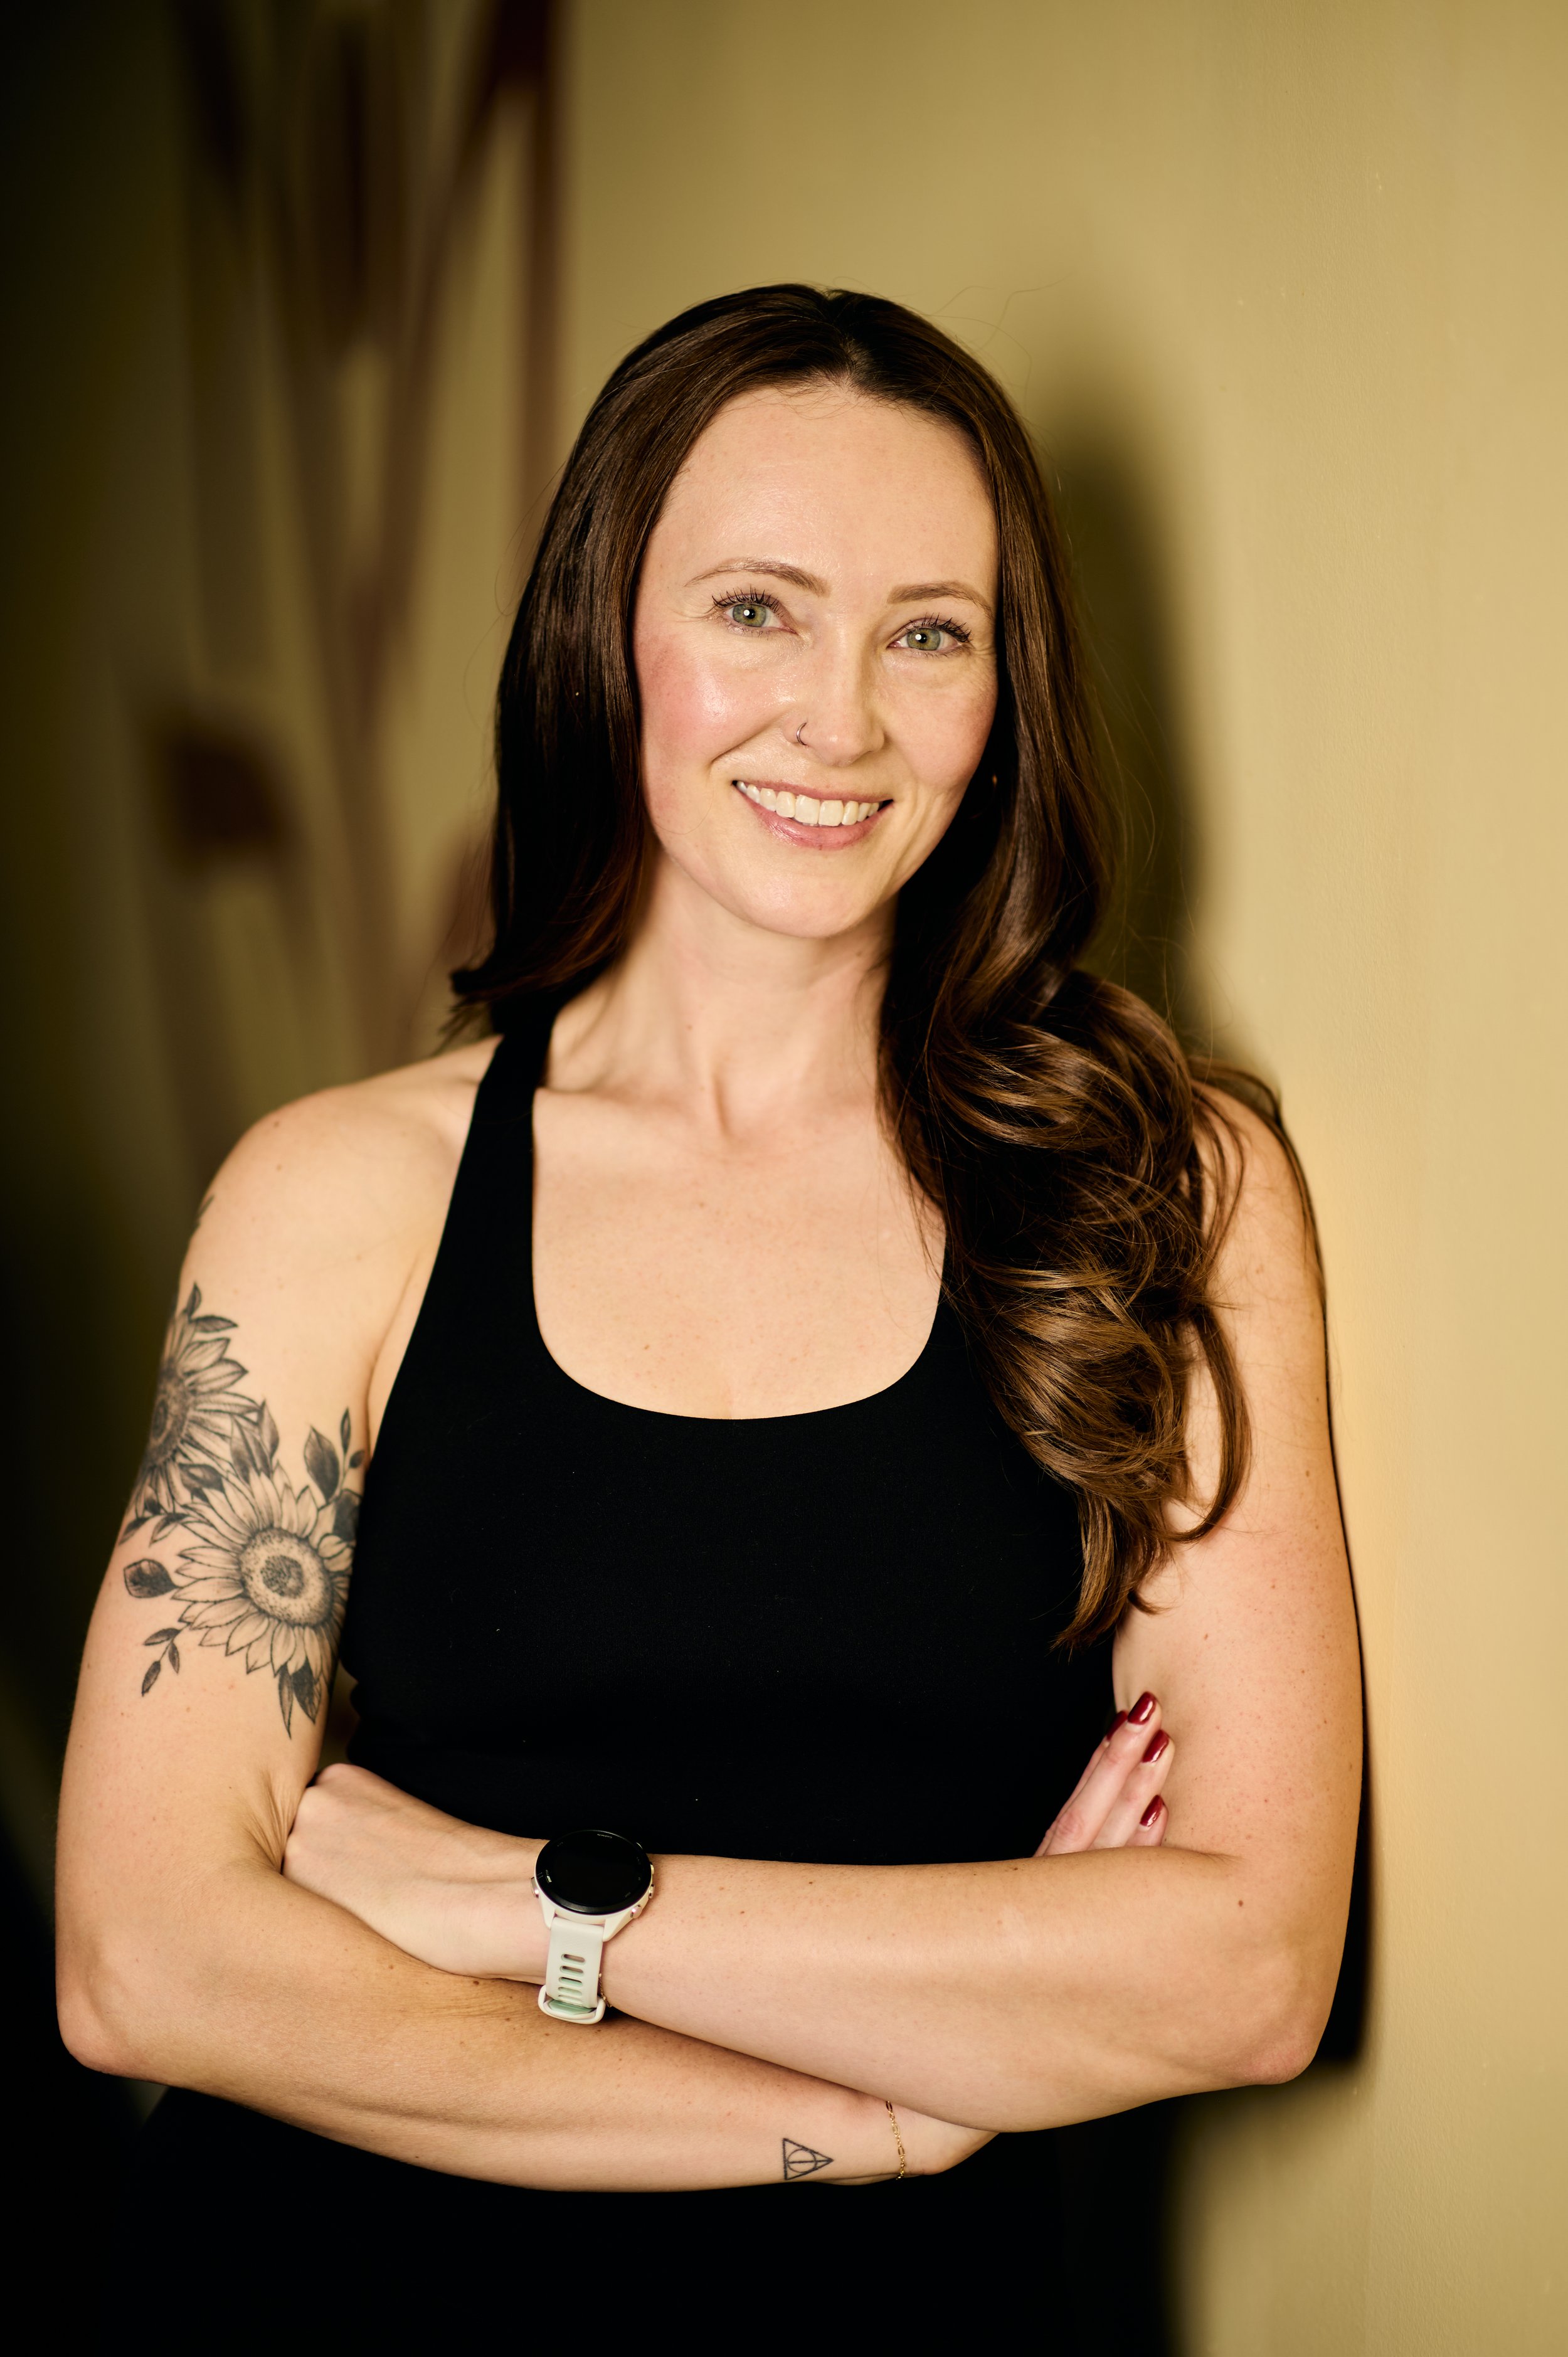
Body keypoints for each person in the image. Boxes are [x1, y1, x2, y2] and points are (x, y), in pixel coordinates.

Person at [58, 285, 1360, 2319]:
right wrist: (879, 2113)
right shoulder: (338, 1198)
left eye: (927, 632)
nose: (837, 716)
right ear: (608, 636)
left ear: (1001, 693)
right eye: (757, 608)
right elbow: (145, 1962)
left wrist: (527, 1907)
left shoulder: (1157, 1192)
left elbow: (1251, 1973)